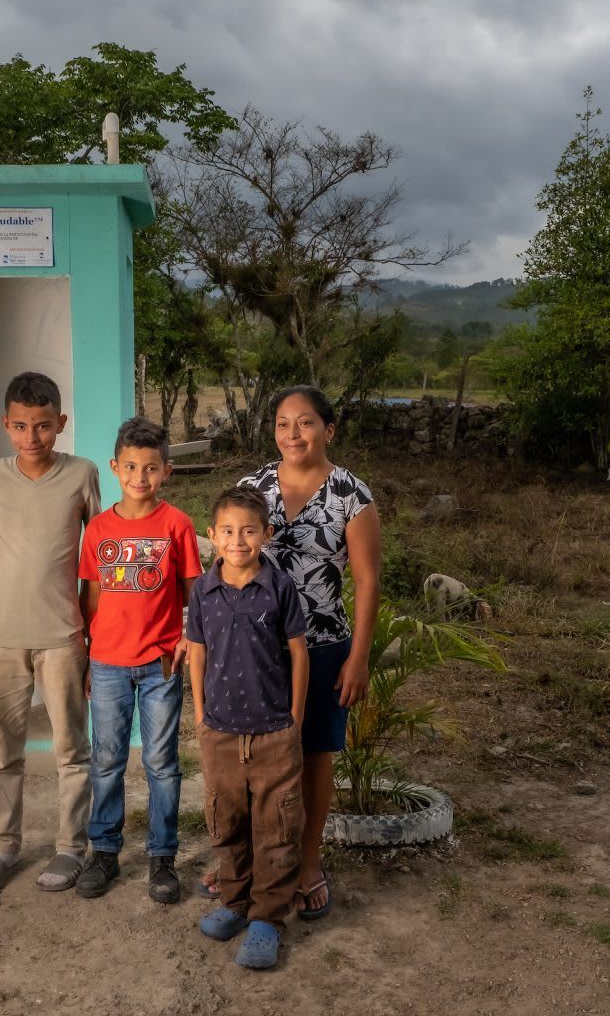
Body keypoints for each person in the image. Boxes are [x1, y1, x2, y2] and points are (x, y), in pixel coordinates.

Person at [217, 385, 381, 921]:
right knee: (248, 758)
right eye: (284, 424)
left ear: (328, 431)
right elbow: (224, 557)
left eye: (306, 423)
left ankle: (307, 864)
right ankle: (241, 865)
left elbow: (367, 579)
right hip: (254, 650)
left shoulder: (351, 497)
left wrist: (358, 657)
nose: (293, 434)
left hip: (323, 646)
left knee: (312, 755)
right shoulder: (253, 486)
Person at [0, 372, 102, 899]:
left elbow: (95, 552)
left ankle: (71, 846)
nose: (32, 438)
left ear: (61, 424)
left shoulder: (82, 475)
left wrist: (88, 628)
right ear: (6, 425)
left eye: (43, 426)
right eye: (21, 427)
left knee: (71, 747)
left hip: (63, 634)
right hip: (2, 634)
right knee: (4, 750)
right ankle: (3, 845)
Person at [76, 417, 202, 904]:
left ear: (166, 471)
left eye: (151, 468)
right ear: (115, 467)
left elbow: (194, 591)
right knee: (106, 760)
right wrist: (89, 656)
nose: (140, 477)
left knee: (161, 763)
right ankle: (104, 852)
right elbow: (91, 598)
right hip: (107, 662)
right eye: (130, 467)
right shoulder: (100, 530)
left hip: (160, 665)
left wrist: (188, 638)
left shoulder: (177, 525)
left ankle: (162, 857)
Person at [187, 485, 310, 970]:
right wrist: (199, 715)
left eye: (249, 531)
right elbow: (196, 652)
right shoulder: (203, 590)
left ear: (266, 533)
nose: (238, 540)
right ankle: (235, 904)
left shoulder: (279, 588)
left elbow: (298, 653)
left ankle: (268, 918)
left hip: (274, 732)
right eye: (228, 531)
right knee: (226, 822)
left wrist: (295, 719)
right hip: (218, 732)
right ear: (213, 535)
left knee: (276, 827)